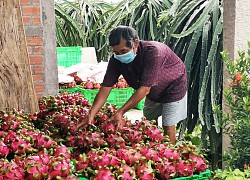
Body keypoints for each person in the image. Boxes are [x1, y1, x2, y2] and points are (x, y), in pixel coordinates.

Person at [76, 25, 187, 144]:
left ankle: (171, 152)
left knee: (168, 124)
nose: (120, 55)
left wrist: (121, 112)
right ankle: (152, 149)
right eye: (116, 52)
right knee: (148, 122)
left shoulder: (154, 52)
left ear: (135, 43)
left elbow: (144, 89)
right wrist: (91, 114)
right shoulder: (116, 60)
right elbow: (105, 88)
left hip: (173, 87)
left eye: (123, 51)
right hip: (152, 90)